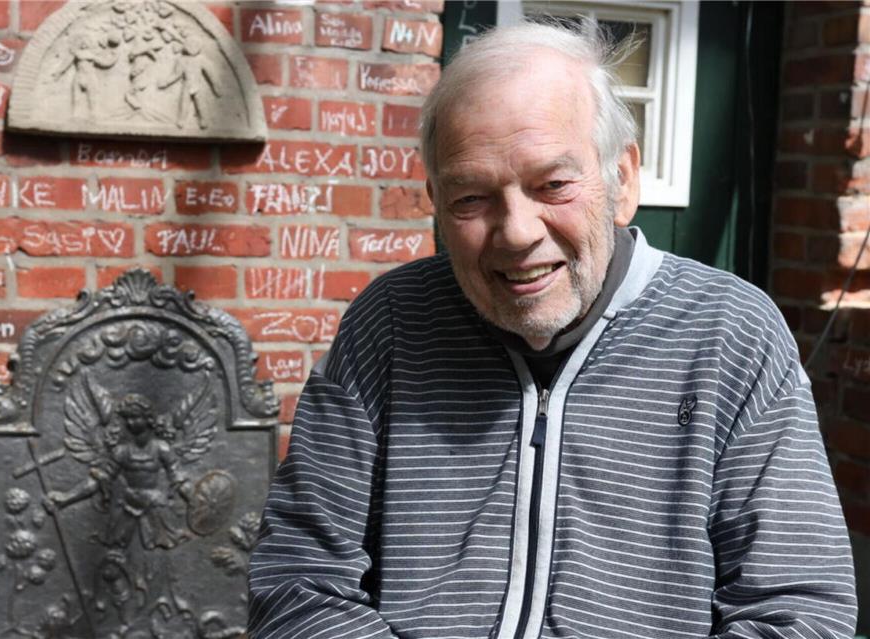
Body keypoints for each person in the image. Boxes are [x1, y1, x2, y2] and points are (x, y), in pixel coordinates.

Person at [248, 21, 858, 639]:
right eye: (471, 198)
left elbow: (798, 611)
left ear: (621, 180)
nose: (516, 232)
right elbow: (296, 580)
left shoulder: (731, 334)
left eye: (553, 185)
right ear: (435, 201)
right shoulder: (391, 324)